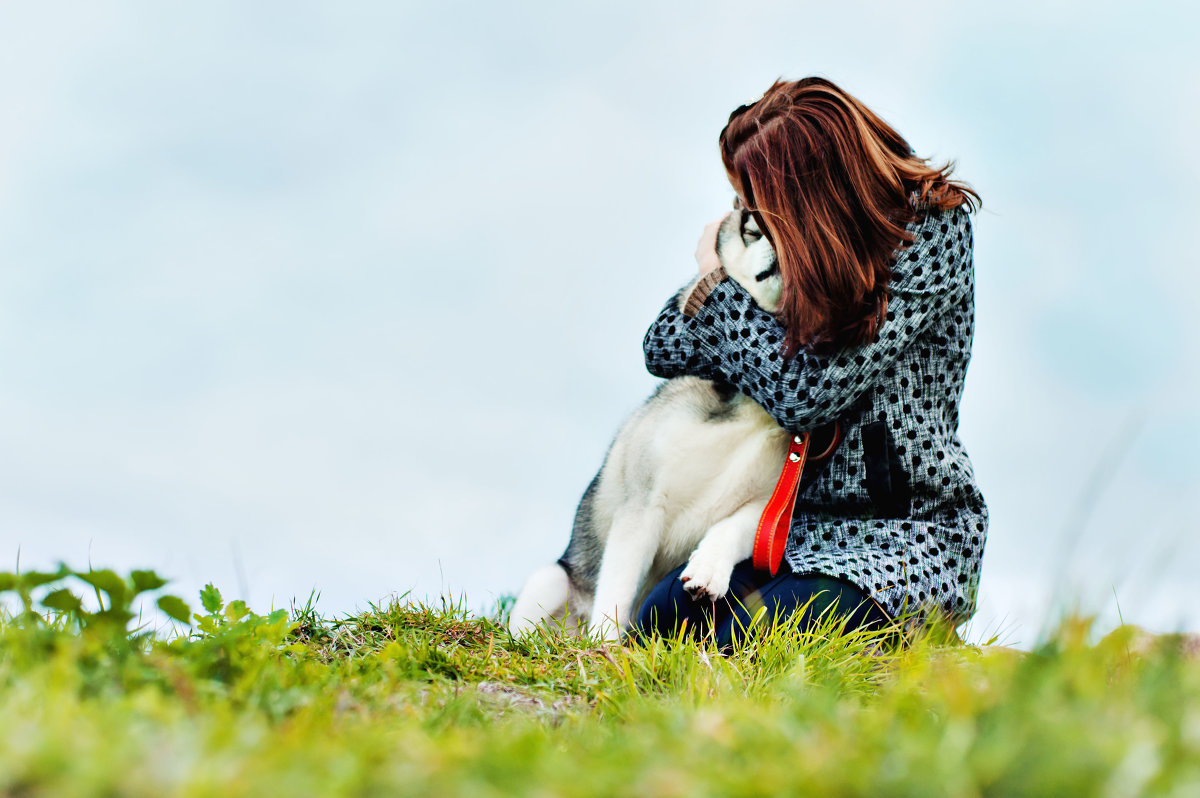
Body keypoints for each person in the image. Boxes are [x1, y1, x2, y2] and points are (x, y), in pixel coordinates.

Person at [633, 76, 987, 650]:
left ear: (804, 193)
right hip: (790, 533)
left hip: (904, 537)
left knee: (746, 636)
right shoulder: (795, 255)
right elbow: (663, 346)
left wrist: (716, 283)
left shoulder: (931, 235)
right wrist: (720, 282)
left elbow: (808, 392)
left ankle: (920, 629)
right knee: (662, 619)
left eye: (754, 200)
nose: (746, 217)